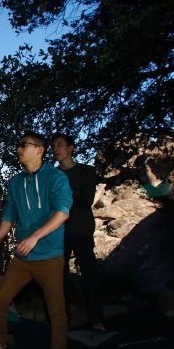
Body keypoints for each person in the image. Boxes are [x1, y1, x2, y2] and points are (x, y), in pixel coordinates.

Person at [0, 132, 73, 349]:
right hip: (22, 258)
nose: (19, 149)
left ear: (40, 150)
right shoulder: (15, 182)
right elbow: (8, 216)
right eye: (18, 145)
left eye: (24, 145)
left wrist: (34, 237)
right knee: (0, 300)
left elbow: (62, 212)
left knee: (56, 310)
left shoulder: (56, 177)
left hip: (50, 256)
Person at [51, 133, 105, 331]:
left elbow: (86, 200)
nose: (56, 148)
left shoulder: (86, 171)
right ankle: (62, 323)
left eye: (60, 144)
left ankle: (96, 319)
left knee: (89, 274)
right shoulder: (53, 175)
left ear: (71, 148)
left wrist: (63, 195)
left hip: (81, 230)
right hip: (58, 233)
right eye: (54, 145)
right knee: (59, 277)